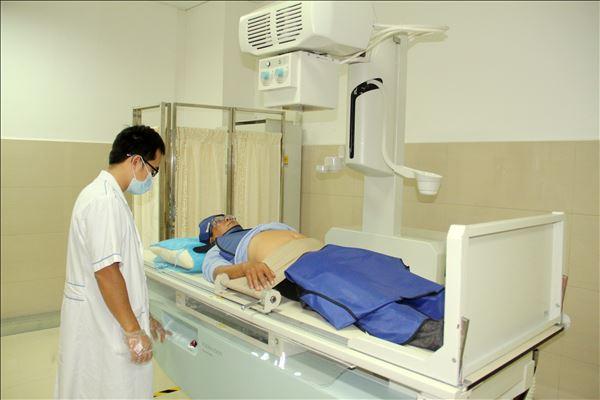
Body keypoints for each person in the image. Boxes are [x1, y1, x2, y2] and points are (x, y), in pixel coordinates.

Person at [197, 214, 445, 351]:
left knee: (381, 268)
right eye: (218, 220)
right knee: (353, 294)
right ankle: (429, 332)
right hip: (292, 267)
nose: (228, 217)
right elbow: (216, 273)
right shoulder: (217, 250)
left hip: (320, 250)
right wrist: (245, 267)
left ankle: (446, 307)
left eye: (228, 215)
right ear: (211, 237)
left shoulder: (259, 228)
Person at [55, 125, 171, 399]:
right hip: (102, 325)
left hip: (105, 317)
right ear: (136, 162)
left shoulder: (108, 197)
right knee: (107, 389)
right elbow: (107, 272)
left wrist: (144, 316)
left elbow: (122, 271)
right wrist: (133, 331)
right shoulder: (104, 201)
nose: (151, 179)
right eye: (153, 171)